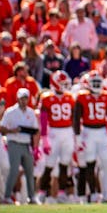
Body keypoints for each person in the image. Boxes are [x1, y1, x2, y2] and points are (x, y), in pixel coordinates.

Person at [73, 74, 107, 203]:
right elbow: (77, 118)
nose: (97, 85)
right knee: (90, 163)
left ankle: (106, 193)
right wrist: (78, 136)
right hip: (88, 131)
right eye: (94, 82)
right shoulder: (82, 97)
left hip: (102, 131)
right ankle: (93, 193)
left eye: (98, 82)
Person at [38, 71, 76, 203]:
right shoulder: (46, 98)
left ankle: (61, 192)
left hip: (67, 131)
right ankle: (42, 192)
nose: (64, 85)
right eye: (62, 83)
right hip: (53, 132)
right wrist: (44, 138)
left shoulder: (70, 97)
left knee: (64, 165)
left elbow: (74, 119)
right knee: (49, 165)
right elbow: (43, 120)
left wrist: (75, 138)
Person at [1, 88, 40, 204]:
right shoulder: (10, 112)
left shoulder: (30, 112)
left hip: (26, 143)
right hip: (14, 143)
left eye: (26, 98)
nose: (24, 101)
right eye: (22, 98)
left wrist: (35, 146)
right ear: (18, 98)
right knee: (14, 170)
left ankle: (31, 197)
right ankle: (7, 196)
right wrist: (13, 131)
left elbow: (35, 130)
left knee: (30, 170)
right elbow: (2, 128)